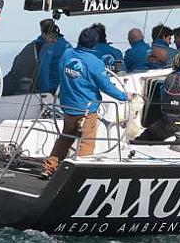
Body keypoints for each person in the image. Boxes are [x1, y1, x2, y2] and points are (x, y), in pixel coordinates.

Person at [41, 27, 136, 179]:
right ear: (95, 44)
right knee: (87, 142)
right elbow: (107, 87)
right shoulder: (95, 63)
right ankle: (78, 175)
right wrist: (125, 96)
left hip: (67, 107)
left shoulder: (67, 54)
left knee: (65, 137)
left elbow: (61, 75)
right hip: (87, 110)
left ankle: (49, 167)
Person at [36, 20, 71, 93]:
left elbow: (43, 68)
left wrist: (45, 90)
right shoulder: (68, 45)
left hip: (53, 89)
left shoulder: (48, 46)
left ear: (43, 33)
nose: (54, 40)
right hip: (67, 87)